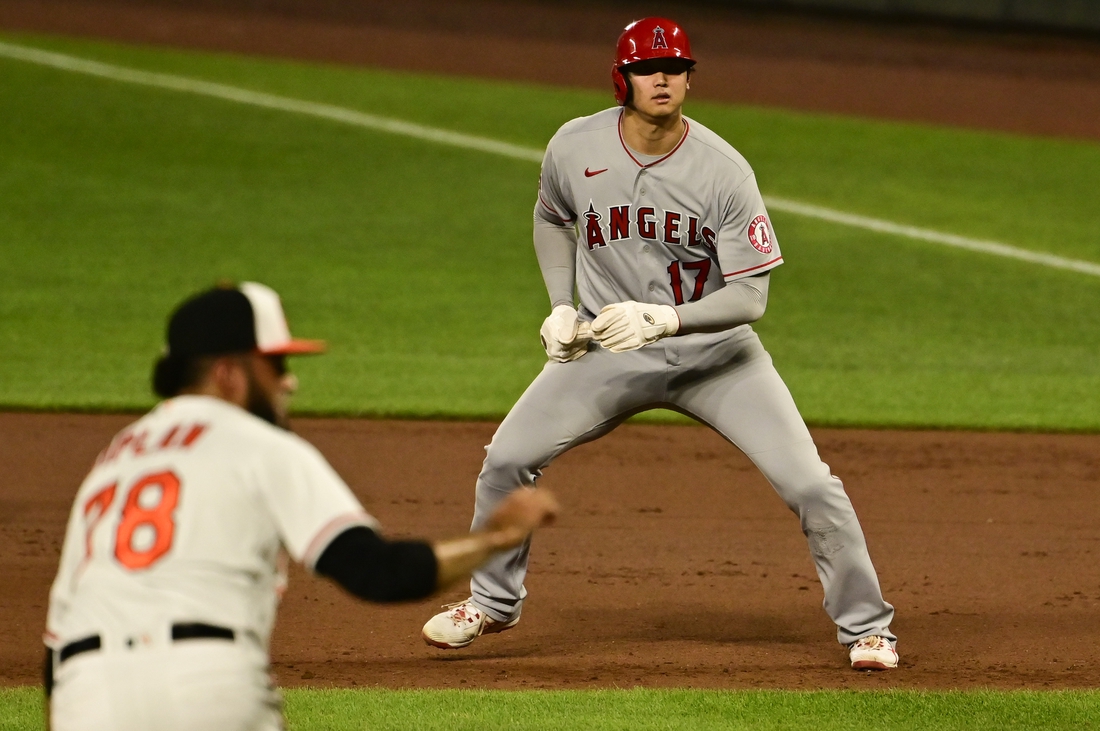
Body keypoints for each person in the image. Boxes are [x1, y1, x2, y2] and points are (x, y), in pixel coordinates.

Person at [421, 17, 897, 671]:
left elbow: (751, 297)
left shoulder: (724, 170)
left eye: (676, 67)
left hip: (719, 358)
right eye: (649, 68)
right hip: (606, 353)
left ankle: (868, 627)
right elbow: (552, 218)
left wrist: (667, 319)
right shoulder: (573, 145)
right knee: (506, 459)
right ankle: (490, 601)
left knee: (812, 485)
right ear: (623, 79)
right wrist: (560, 304)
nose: (664, 77)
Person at [43, 281, 559, 731]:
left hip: (82, 694)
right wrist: (495, 539)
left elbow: (56, 637)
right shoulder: (258, 442)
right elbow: (375, 571)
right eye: (276, 364)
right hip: (203, 685)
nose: (289, 381)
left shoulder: (111, 462)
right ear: (229, 374)